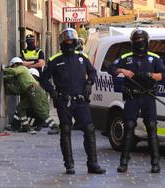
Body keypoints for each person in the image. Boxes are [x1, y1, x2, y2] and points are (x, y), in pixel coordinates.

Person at [40, 28, 106, 175]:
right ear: (62, 42)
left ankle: (93, 164)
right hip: (64, 101)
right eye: (67, 40)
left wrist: (89, 84)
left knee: (89, 130)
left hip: (81, 100)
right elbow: (44, 79)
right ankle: (69, 164)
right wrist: (53, 93)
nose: (69, 42)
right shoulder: (55, 60)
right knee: (65, 131)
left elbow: (93, 72)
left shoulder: (82, 57)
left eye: (71, 40)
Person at [108, 29, 165, 173]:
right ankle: (124, 162)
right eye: (137, 41)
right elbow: (111, 68)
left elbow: (164, 75)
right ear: (132, 42)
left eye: (142, 40)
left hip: (148, 97)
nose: (139, 43)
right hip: (132, 97)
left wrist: (151, 75)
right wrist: (122, 70)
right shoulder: (127, 57)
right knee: (128, 127)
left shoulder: (154, 58)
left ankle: (155, 162)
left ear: (146, 42)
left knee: (151, 128)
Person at [3, 57, 52, 133]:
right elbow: (19, 90)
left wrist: (4, 69)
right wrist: (7, 82)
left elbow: (14, 72)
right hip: (31, 93)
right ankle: (26, 127)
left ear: (15, 65)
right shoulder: (25, 79)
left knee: (39, 110)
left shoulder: (22, 68)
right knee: (20, 107)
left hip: (33, 94)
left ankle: (54, 126)